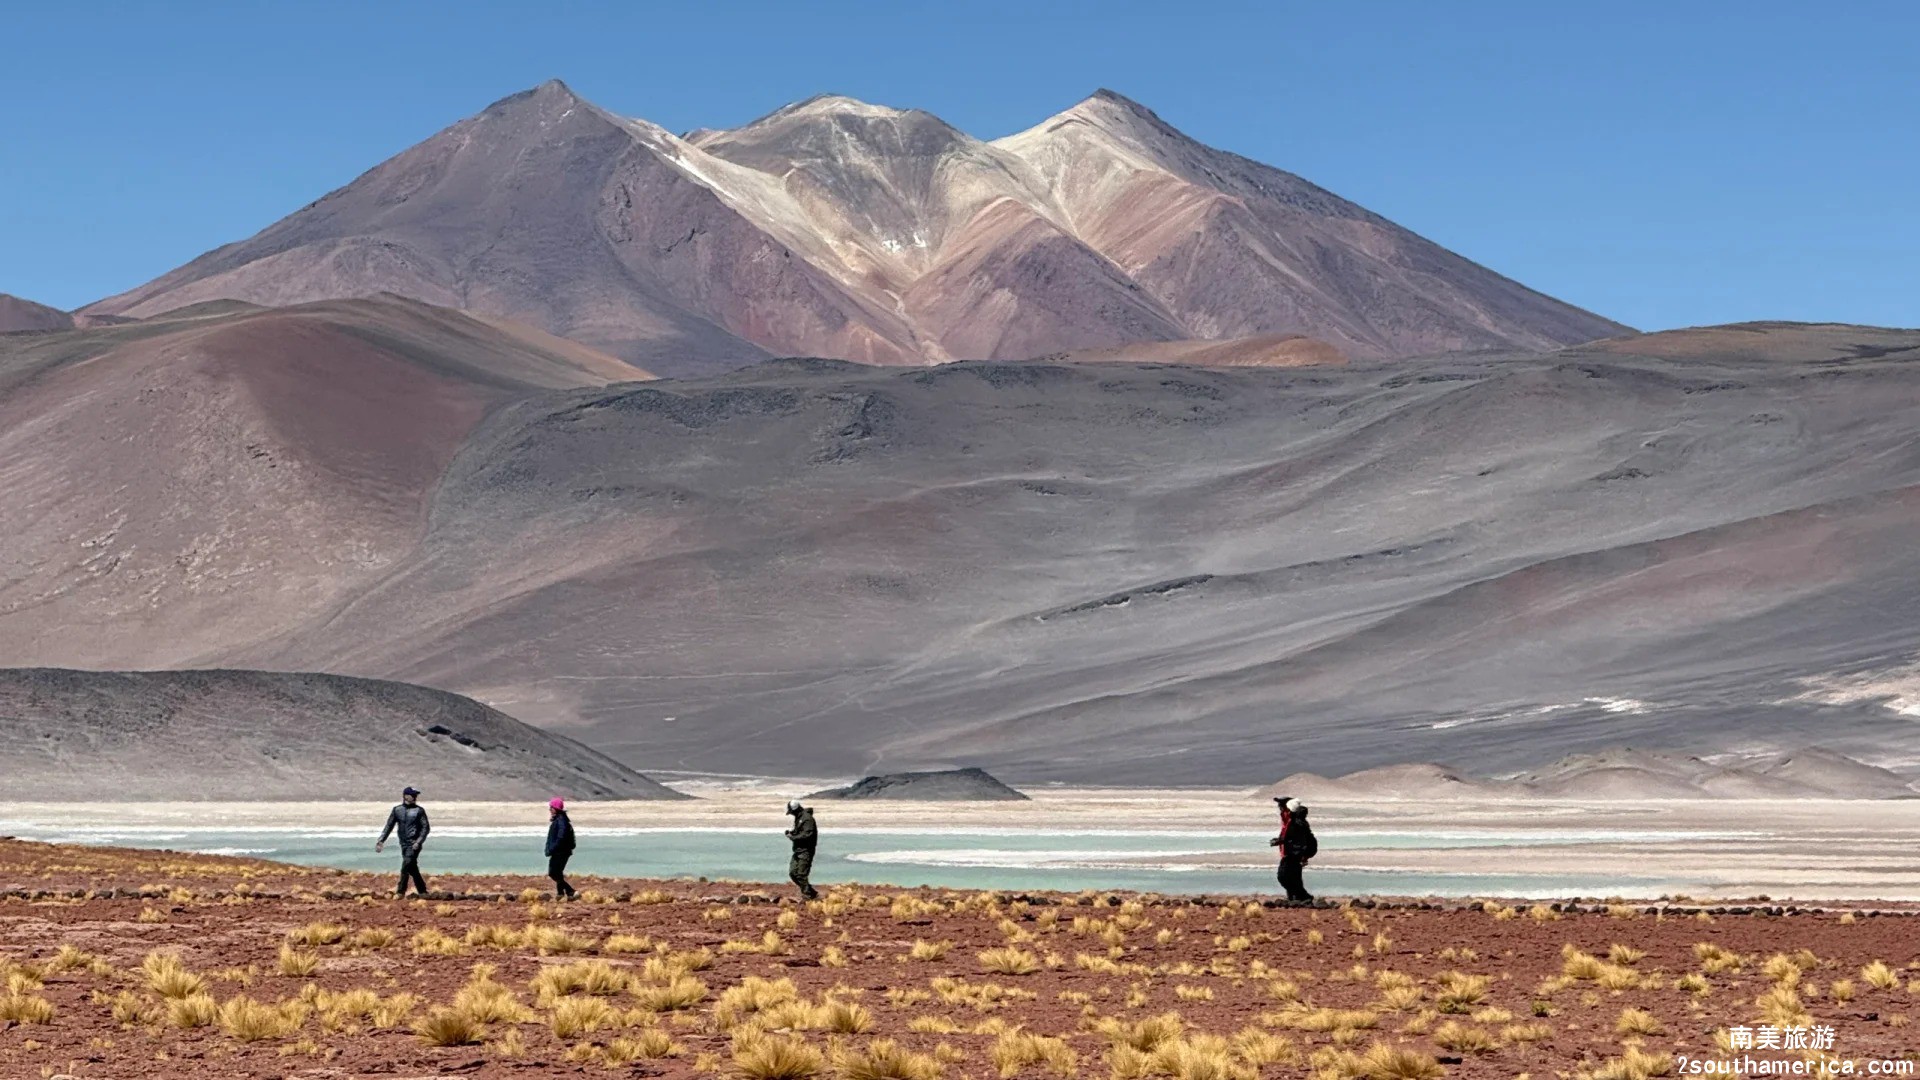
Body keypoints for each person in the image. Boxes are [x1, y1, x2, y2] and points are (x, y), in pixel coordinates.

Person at [376, 786, 432, 898]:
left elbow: (425, 828)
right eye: (413, 795)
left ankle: (400, 892)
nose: (415, 797)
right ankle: (422, 891)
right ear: (406, 796)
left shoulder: (419, 811)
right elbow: (389, 826)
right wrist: (381, 840)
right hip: (403, 844)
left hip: (414, 844)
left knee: (406, 864)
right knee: (412, 867)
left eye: (415, 795)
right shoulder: (397, 810)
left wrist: (418, 842)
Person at [1269, 796, 1317, 904]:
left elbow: (1293, 838)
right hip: (1294, 853)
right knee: (1293, 877)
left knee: (1283, 876)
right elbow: (1289, 837)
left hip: (1293, 854)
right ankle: (1295, 899)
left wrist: (1280, 841)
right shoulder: (1293, 820)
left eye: (1281, 806)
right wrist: (1280, 841)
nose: (1280, 808)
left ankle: (1303, 897)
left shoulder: (1295, 822)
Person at [784, 800, 819, 900]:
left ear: (795, 810)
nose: (791, 814)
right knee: (793, 873)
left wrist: (793, 837)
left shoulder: (807, 819)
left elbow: (807, 834)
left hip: (806, 850)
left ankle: (808, 895)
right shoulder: (799, 818)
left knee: (801, 874)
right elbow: (800, 832)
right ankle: (812, 892)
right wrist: (792, 833)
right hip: (798, 850)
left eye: (792, 812)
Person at [545, 797, 578, 901]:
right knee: (557, 873)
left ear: (556, 808)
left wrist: (552, 848)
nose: (550, 810)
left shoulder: (561, 821)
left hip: (560, 852)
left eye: (551, 808)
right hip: (561, 851)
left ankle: (570, 891)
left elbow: (561, 837)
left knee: (553, 873)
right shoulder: (560, 820)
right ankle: (560, 893)